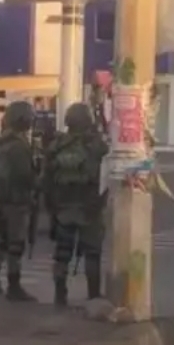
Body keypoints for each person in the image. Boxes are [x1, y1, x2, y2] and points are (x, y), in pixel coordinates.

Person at [44, 102, 109, 307]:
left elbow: (46, 179)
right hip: (89, 209)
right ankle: (93, 296)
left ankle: (60, 296)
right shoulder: (96, 145)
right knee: (92, 254)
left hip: (63, 208)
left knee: (62, 255)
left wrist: (51, 208)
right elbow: (105, 174)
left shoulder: (57, 146)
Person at [0, 101, 38, 302]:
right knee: (15, 245)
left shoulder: (1, 142)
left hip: (1, 199)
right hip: (16, 201)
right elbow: (25, 176)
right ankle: (13, 286)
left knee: (3, 242)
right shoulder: (19, 146)